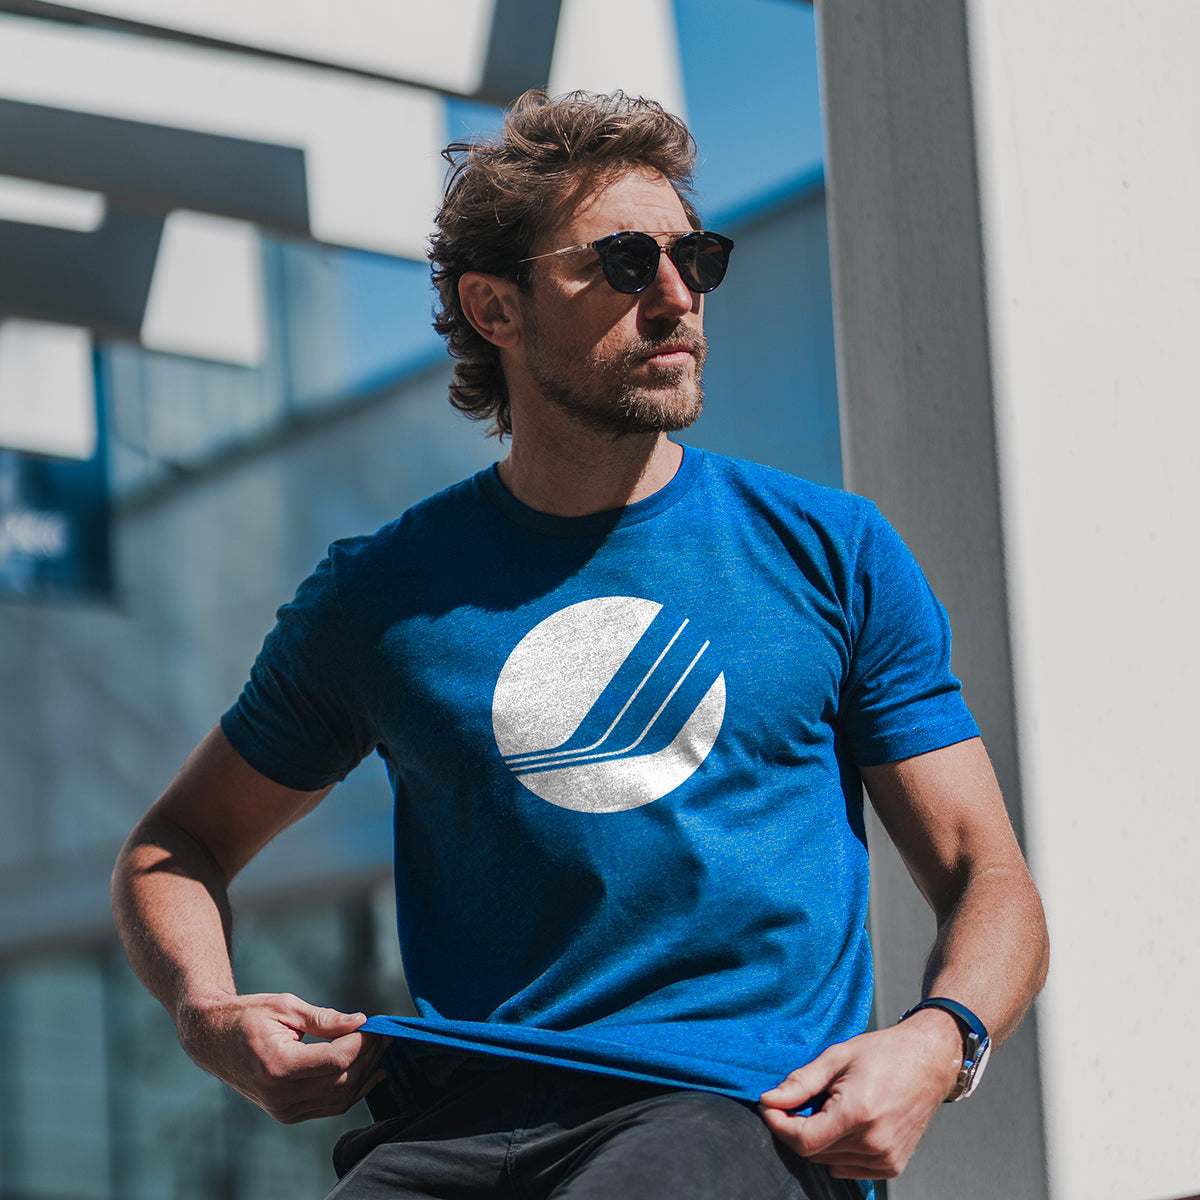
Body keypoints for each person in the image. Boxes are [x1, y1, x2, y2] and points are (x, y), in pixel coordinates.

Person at [112, 90, 1048, 1199]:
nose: (676, 295)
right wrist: (209, 1015)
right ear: (494, 308)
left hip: (731, 1119)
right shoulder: (380, 599)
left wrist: (941, 1042)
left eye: (694, 258)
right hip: (450, 1130)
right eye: (622, 263)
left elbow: (991, 879)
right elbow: (176, 843)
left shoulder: (832, 554)